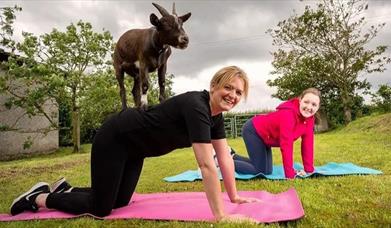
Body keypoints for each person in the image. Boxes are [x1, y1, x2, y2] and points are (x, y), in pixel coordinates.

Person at [10, 66, 259, 222]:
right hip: (116, 136)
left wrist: (234, 196)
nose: (233, 95)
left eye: (239, 92)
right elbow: (206, 165)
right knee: (101, 208)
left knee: (119, 202)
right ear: (214, 86)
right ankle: (39, 198)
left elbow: (223, 157)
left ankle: (66, 190)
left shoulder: (215, 117)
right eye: (228, 87)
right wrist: (220, 215)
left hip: (135, 150)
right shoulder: (197, 106)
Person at [232, 88, 321, 179]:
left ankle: (232, 155)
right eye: (306, 102)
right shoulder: (288, 114)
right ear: (300, 100)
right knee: (259, 171)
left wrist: (309, 170)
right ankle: (222, 162)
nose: (309, 107)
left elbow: (308, 145)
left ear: (317, 107)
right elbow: (286, 145)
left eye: (314, 105)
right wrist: (290, 174)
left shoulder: (310, 119)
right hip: (253, 131)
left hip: (266, 137)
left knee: (267, 170)